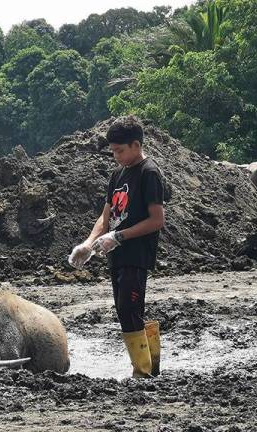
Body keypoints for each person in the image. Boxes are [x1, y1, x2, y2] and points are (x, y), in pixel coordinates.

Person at [68, 116, 164, 378]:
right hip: (117, 255)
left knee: (127, 309)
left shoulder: (149, 173)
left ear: (136, 145)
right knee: (129, 310)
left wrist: (119, 237)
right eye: (112, 151)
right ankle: (152, 366)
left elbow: (157, 220)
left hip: (136, 253)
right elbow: (105, 216)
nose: (115, 156)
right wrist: (88, 244)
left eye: (119, 151)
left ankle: (142, 372)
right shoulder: (117, 175)